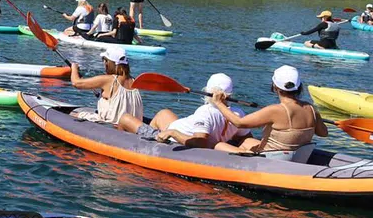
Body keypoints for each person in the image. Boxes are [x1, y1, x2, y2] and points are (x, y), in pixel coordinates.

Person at [208, 66, 327, 159]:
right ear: (299, 86)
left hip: (272, 160)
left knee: (226, 144)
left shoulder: (275, 110)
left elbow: (239, 123)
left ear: (275, 86)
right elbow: (323, 133)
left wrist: (219, 103)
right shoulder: (310, 108)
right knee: (248, 140)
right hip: (298, 158)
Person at [119, 74, 248, 150]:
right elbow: (245, 138)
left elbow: (200, 142)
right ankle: (146, 139)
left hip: (170, 136)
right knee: (164, 113)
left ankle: (139, 145)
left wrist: (173, 133)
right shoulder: (238, 113)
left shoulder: (205, 111)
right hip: (180, 125)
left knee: (124, 118)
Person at [67, 47, 142, 125]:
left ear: (108, 62)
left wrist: (74, 68)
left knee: (72, 115)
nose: (104, 63)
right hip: (131, 126)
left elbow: (76, 83)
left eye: (104, 60)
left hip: (111, 125)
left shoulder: (109, 80)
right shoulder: (134, 80)